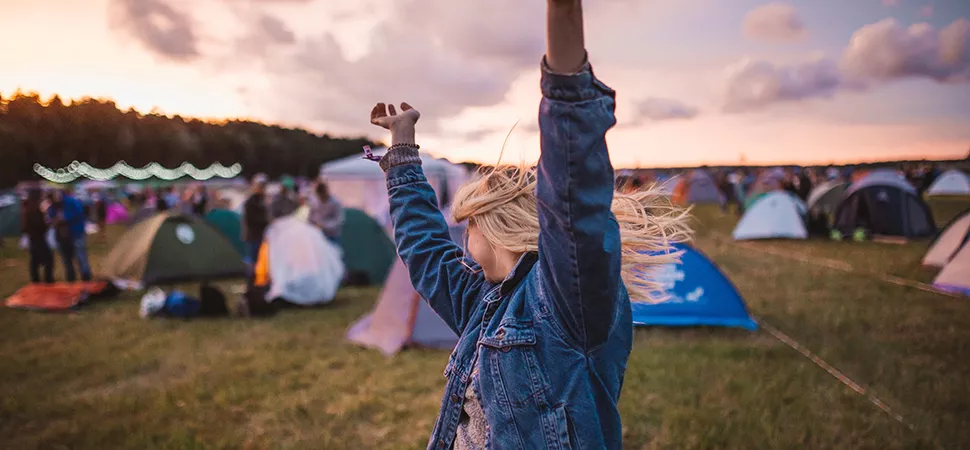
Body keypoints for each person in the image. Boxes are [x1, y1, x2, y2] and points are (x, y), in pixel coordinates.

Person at [366, 2, 690, 448]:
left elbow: (572, 200)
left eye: (467, 225)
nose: (461, 237)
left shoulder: (562, 300)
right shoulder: (484, 300)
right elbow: (424, 251)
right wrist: (402, 149)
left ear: (490, 224)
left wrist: (565, 66)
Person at [48, 189, 92, 282]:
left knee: (80, 257)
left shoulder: (71, 202)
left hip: (76, 233)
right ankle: (71, 279)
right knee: (67, 260)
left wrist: (65, 218)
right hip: (62, 236)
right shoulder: (52, 206)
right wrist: (55, 220)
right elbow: (51, 218)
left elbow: (79, 213)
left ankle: (86, 278)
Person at [21, 190, 54, 284]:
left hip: (33, 239)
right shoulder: (35, 211)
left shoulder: (27, 210)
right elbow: (40, 225)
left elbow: (25, 228)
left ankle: (36, 280)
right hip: (39, 239)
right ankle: (48, 280)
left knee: (35, 261)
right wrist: (47, 224)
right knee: (47, 260)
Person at [242, 174, 270, 265]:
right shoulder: (250, 202)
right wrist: (265, 221)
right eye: (260, 186)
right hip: (253, 235)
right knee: (253, 259)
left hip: (262, 235)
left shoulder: (263, 201)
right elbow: (250, 219)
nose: (262, 189)